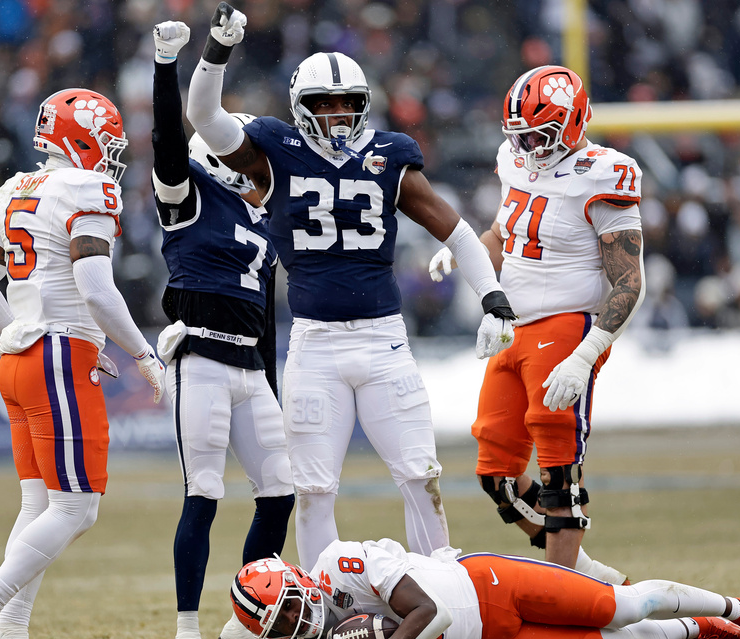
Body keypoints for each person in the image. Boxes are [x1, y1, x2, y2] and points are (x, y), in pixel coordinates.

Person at [182, 5, 516, 570]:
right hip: (315, 346)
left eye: (346, 104)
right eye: (323, 104)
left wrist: (494, 300)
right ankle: (324, 607)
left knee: (420, 475)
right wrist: (216, 50)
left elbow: (456, 231)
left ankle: (447, 593)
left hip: (385, 343)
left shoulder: (389, 157)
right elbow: (203, 115)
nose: (336, 115)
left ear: (365, 106)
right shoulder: (274, 152)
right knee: (313, 492)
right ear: (299, 109)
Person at [0, 87, 166, 639]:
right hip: (55, 360)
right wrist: (143, 352)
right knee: (78, 508)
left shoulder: (20, 186)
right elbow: (96, 289)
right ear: (81, 137)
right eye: (107, 142)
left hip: (20, 361)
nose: (114, 156)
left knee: (40, 503)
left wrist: (24, 331)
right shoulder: (85, 188)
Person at [430, 66, 646, 573]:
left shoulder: (604, 172)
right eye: (519, 135)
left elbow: (629, 281)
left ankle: (563, 582)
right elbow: (508, 235)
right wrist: (467, 253)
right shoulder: (515, 160)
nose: (527, 145)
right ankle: (581, 566)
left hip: (566, 324)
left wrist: (585, 356)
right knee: (495, 471)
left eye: (537, 134)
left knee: (559, 470)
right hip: (512, 326)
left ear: (571, 123)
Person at [149, 22, 295, 639]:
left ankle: (248, 620)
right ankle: (185, 629)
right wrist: (165, 64)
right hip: (202, 358)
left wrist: (271, 379)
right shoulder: (188, 195)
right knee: (203, 494)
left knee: (280, 491)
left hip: (250, 364)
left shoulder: (262, 215)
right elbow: (165, 140)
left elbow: (264, 309)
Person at [228, 538, 740, 639]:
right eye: (282, 624)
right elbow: (242, 638)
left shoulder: (340, 561)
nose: (296, 621)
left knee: (625, 607)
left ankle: (739, 608)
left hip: (486, 586)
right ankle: (700, 627)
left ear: (302, 577)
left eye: (290, 606)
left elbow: (431, 615)